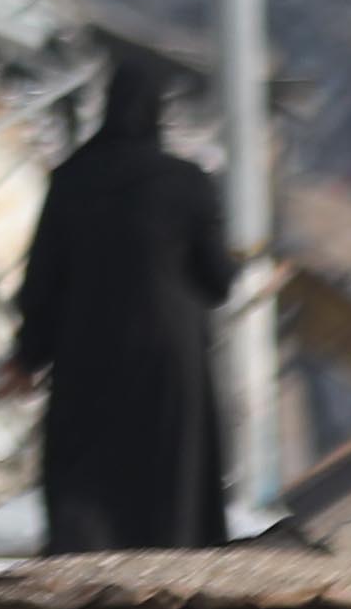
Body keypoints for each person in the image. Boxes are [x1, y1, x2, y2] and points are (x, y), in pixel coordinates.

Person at [12, 44, 239, 551]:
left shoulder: (71, 180)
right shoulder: (186, 182)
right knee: (167, 473)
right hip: (168, 357)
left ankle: (88, 572)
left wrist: (28, 354)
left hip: (87, 354)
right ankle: (174, 581)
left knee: (90, 471)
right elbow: (218, 280)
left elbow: (44, 279)